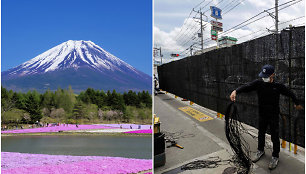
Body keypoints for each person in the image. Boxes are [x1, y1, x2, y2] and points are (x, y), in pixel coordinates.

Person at [229, 64, 303, 170]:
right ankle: (260, 150)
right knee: (261, 133)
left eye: (267, 76)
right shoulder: (259, 83)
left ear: (272, 75)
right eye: (263, 75)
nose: (264, 78)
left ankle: (275, 156)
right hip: (262, 114)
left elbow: (290, 93)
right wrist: (236, 91)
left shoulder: (278, 86)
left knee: (274, 136)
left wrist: (296, 103)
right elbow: (247, 86)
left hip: (273, 115)